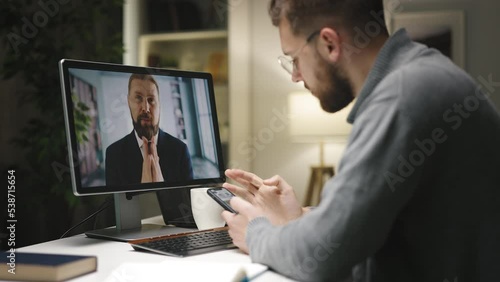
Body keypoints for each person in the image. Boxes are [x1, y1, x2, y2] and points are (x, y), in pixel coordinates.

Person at [221, 0, 500, 281]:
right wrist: (301, 219)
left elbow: (322, 256)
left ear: (329, 43)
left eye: (294, 58)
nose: (295, 76)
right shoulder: (420, 73)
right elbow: (368, 227)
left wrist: (255, 232)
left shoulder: (403, 95)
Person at [105, 74, 193, 186]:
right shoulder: (113, 154)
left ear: (159, 105)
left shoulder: (181, 150)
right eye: (138, 98)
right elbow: (112, 202)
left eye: (151, 100)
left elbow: (190, 200)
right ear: (128, 102)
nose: (145, 108)